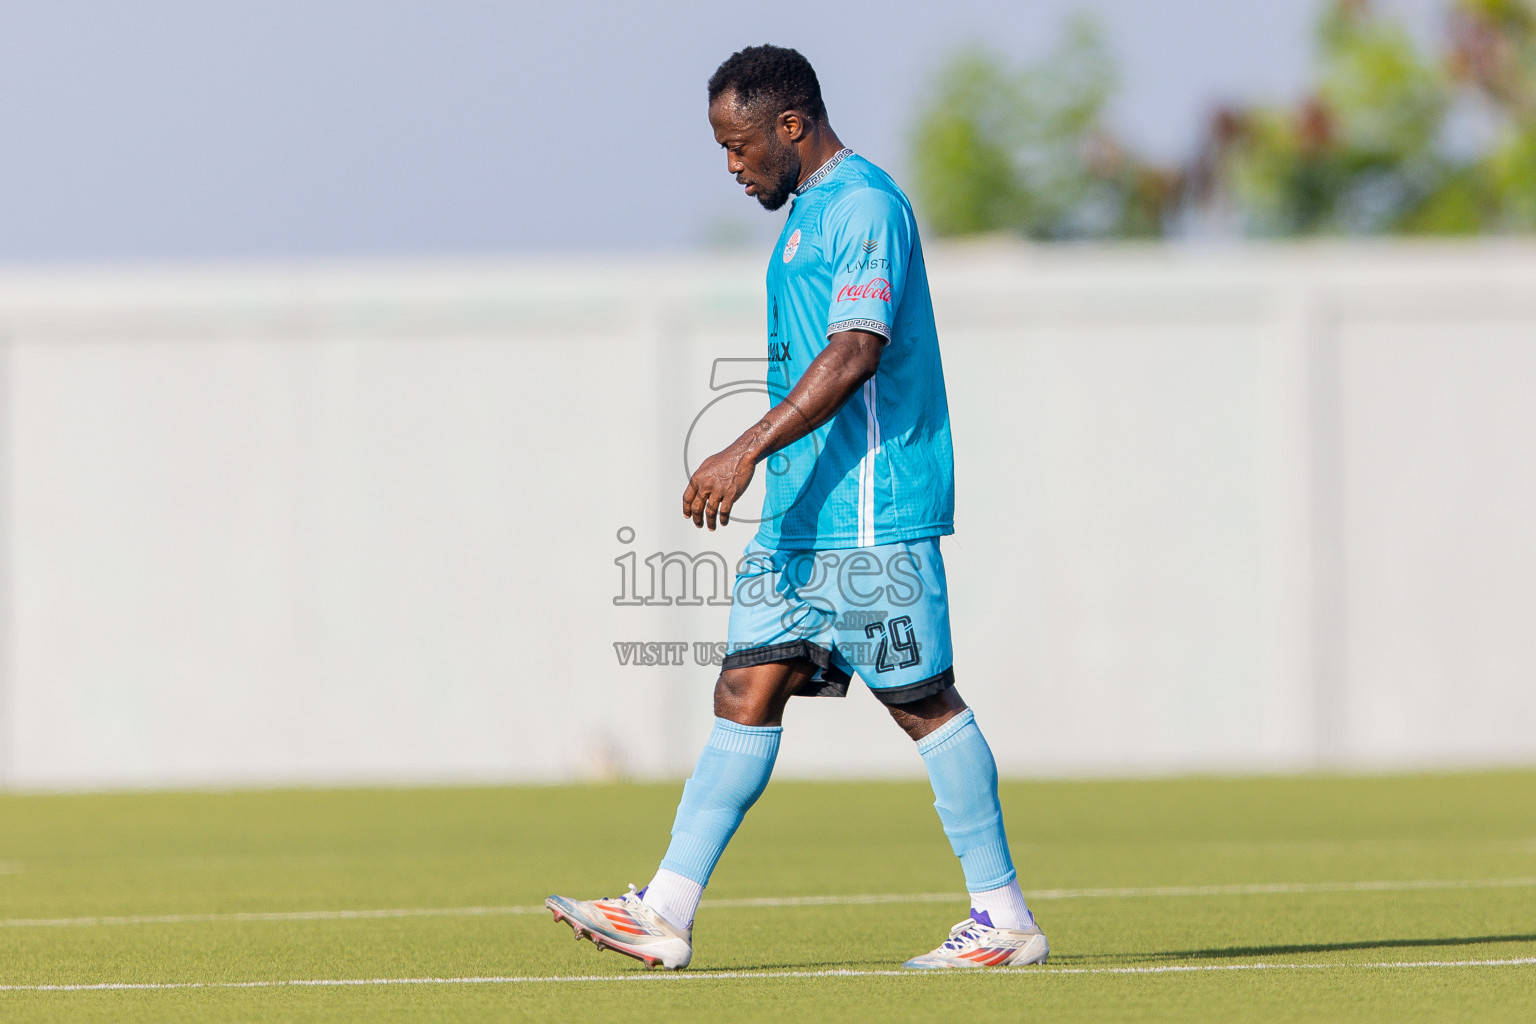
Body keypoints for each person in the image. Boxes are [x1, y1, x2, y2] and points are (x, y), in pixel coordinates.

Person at [545, 44, 1047, 971]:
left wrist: (742, 447)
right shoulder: (808, 215)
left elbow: (856, 348)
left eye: (738, 147)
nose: (732, 166)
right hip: (800, 515)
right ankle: (665, 909)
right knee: (745, 687)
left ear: (791, 125)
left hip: (867, 509)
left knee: (922, 701)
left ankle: (1005, 919)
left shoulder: (863, 207)